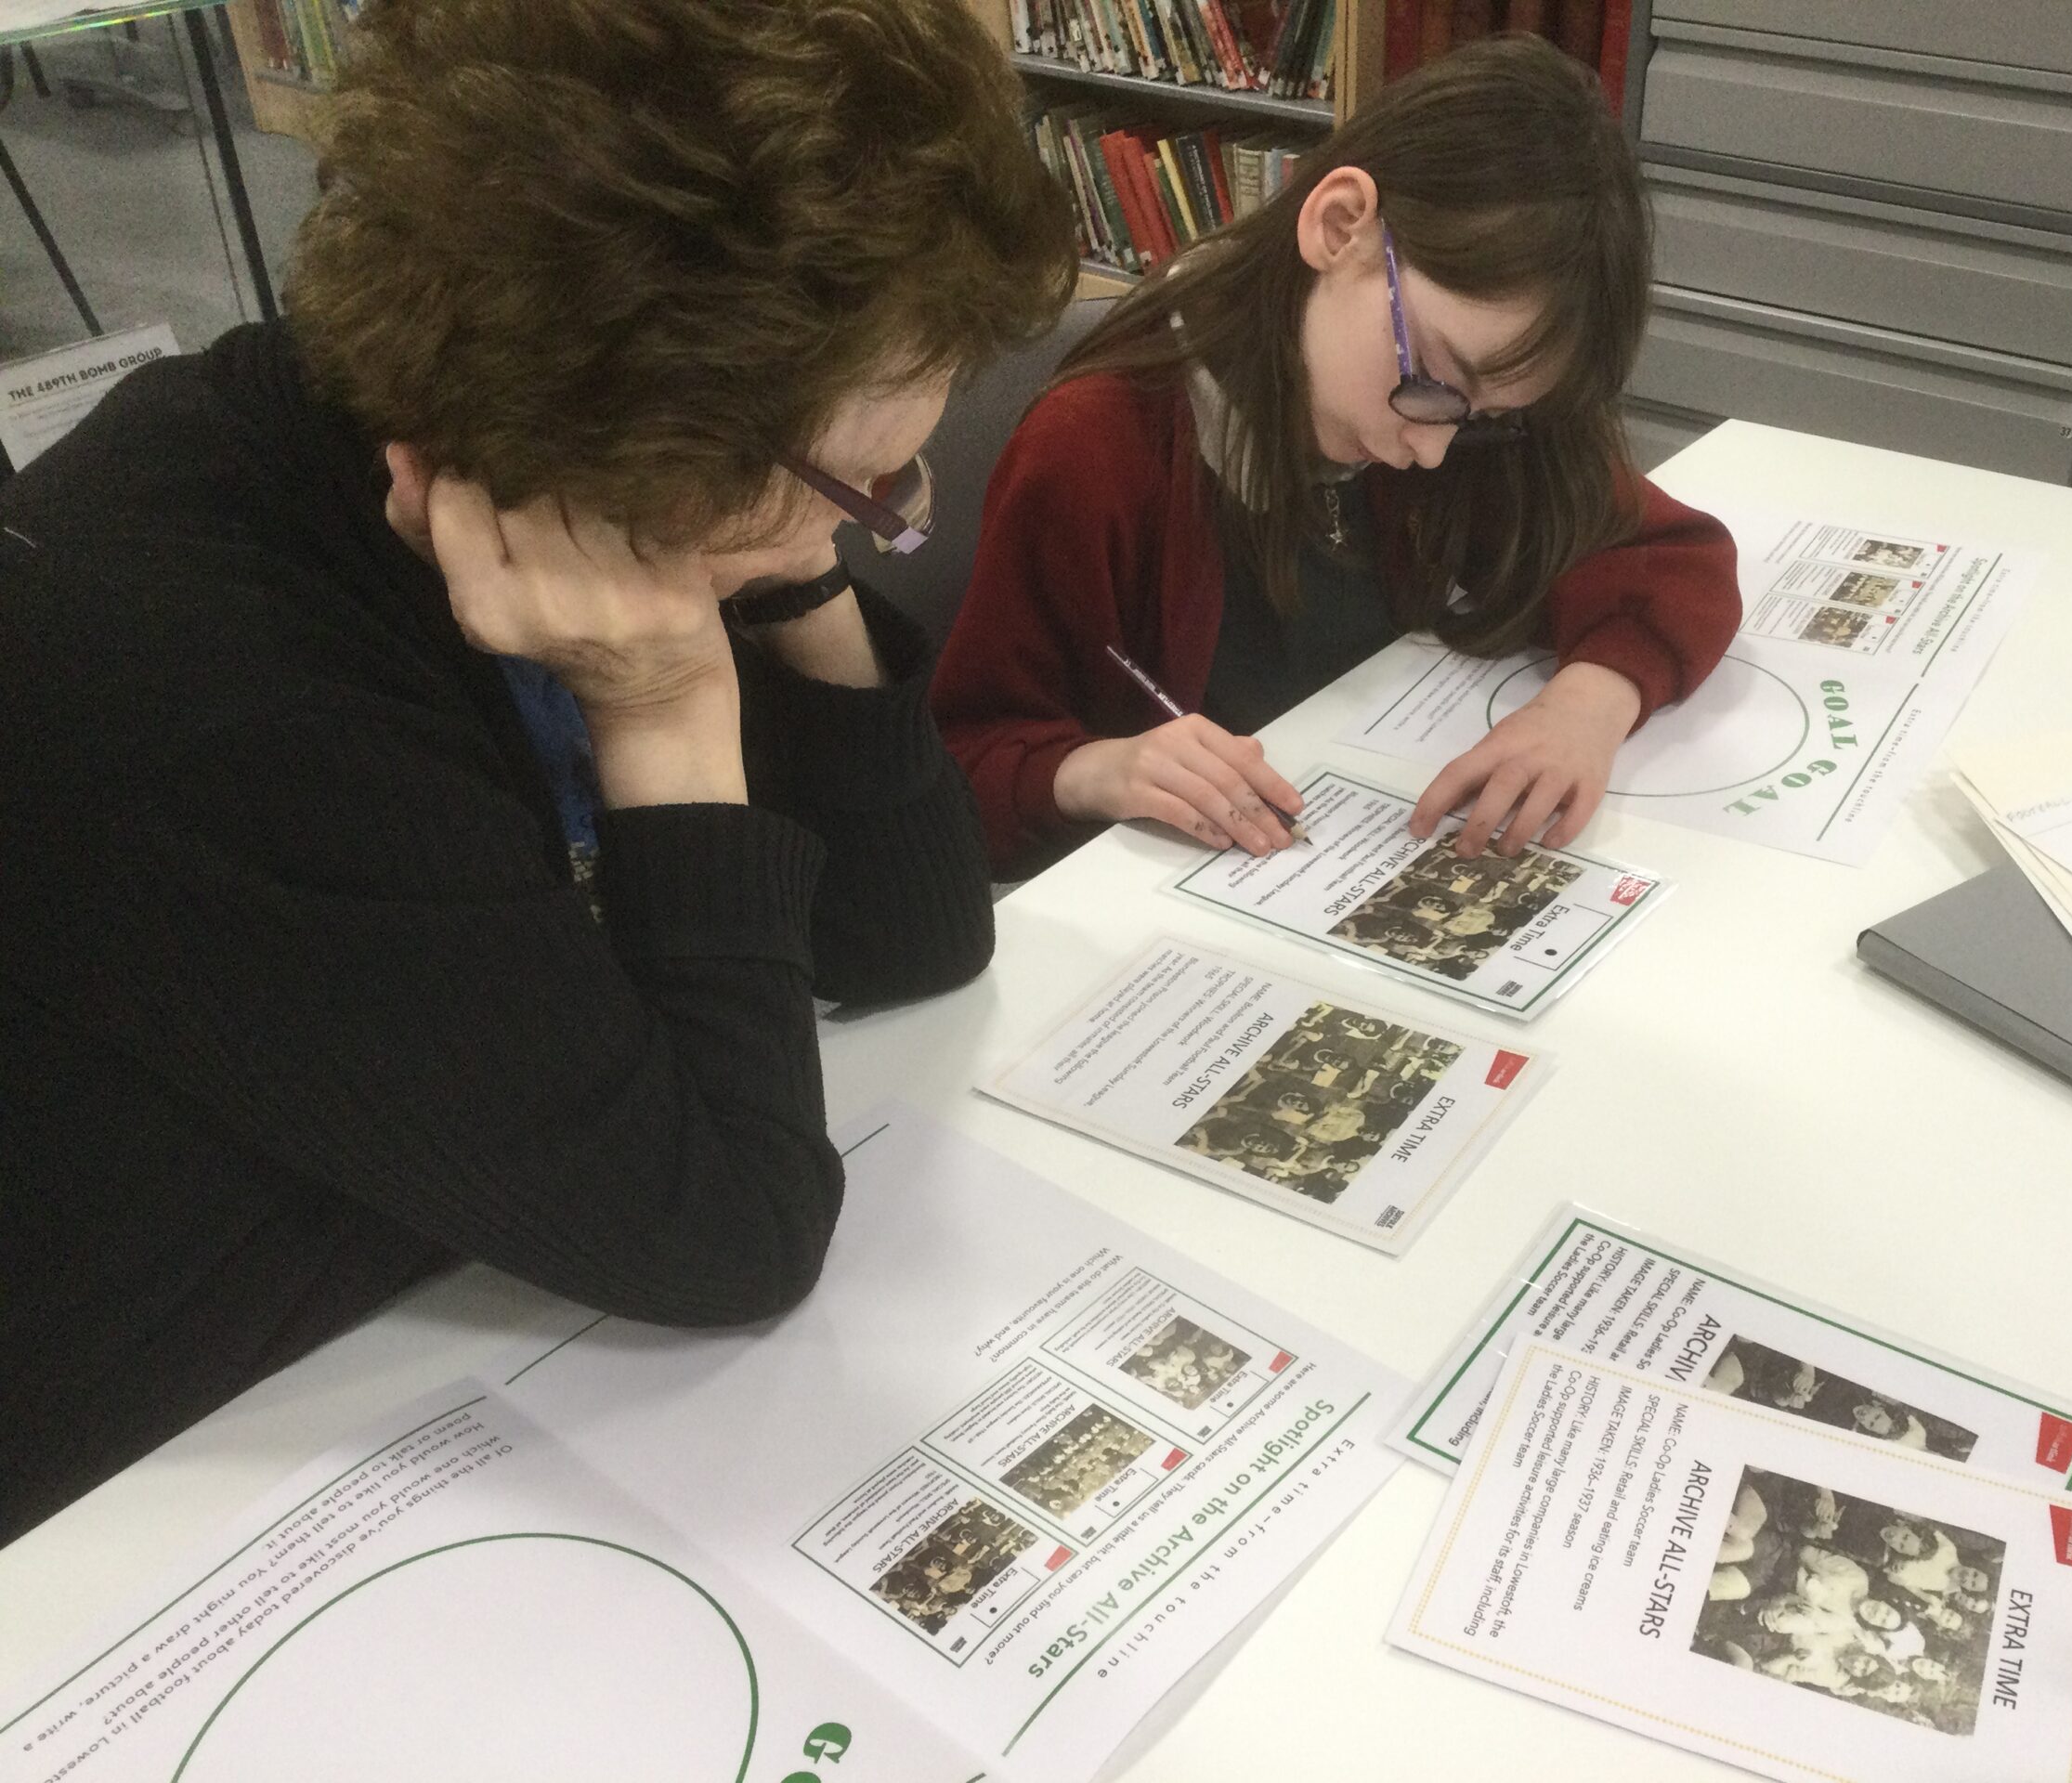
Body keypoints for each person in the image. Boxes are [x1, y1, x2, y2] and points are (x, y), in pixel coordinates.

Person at [0, 0, 1075, 1542]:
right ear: (644, 433)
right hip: (146, 1506)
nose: (878, 520)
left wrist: (782, 572)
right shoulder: (214, 683)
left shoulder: (547, 472)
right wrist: (665, 724)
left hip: (426, 1313)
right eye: (869, 477)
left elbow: (909, 934)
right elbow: (732, 1233)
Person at [930, 37, 1741, 879]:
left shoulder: (1468, 406)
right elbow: (961, 765)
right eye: (1430, 379)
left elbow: (1669, 556)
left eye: (1487, 419)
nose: (1431, 452)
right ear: (1340, 226)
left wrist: (1588, 705)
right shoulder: (1098, 450)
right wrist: (1098, 772)